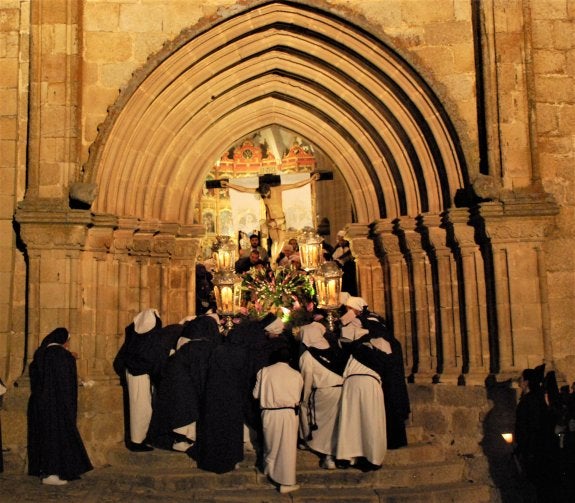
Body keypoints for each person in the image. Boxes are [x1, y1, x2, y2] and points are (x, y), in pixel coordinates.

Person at [27, 327, 93, 485]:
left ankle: (43, 470)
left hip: (39, 404)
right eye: (68, 341)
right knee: (57, 438)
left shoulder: (40, 353)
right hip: (58, 405)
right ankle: (53, 473)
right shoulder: (63, 356)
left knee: (43, 436)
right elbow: (66, 384)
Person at [147, 314, 222, 452]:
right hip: (185, 387)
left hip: (177, 385)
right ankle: (182, 440)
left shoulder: (187, 344)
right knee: (185, 416)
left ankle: (182, 438)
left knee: (182, 415)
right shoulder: (202, 348)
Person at [336, 296, 389, 470]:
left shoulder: (361, 337)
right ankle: (371, 457)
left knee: (352, 420)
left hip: (355, 381)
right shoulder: (377, 340)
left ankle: (347, 455)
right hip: (365, 382)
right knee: (369, 420)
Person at [194, 321, 249, 473]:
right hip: (233, 396)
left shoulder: (218, 350)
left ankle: (213, 460)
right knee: (231, 430)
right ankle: (233, 459)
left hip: (215, 394)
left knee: (216, 428)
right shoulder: (242, 353)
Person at [113, 308, 167, 452]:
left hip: (133, 375)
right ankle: (138, 440)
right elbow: (153, 359)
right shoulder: (150, 340)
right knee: (141, 409)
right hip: (142, 377)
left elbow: (121, 360)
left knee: (140, 408)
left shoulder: (134, 339)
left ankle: (140, 438)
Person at [253, 346, 304, 494]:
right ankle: (286, 482)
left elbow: (256, 395)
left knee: (271, 443)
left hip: (269, 413)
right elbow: (298, 395)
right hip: (288, 413)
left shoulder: (264, 372)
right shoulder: (296, 374)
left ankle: (269, 469)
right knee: (287, 447)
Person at [298, 321, 347, 470]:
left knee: (323, 426)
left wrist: (304, 399)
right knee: (336, 424)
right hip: (341, 390)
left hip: (323, 392)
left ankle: (327, 455)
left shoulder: (307, 355)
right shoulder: (336, 349)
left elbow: (306, 378)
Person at [222, 173, 320, 244]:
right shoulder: (260, 191)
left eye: (267, 194)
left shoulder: (277, 189)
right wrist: (229, 184)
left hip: (280, 218)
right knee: (275, 241)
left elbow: (295, 185)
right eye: (263, 195)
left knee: (281, 241)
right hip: (270, 219)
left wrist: (311, 180)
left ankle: (274, 260)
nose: (265, 196)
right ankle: (273, 261)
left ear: (269, 189)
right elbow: (244, 189)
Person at [514, 365, 563, 502]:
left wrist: (523, 449)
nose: (519, 381)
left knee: (540, 489)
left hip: (536, 451)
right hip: (545, 449)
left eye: (521, 378)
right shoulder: (539, 399)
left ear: (526, 382)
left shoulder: (529, 401)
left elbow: (527, 427)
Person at [332, 230, 358, 296]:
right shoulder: (337, 249)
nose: (339, 242)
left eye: (341, 240)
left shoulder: (350, 248)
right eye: (338, 240)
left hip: (350, 272)